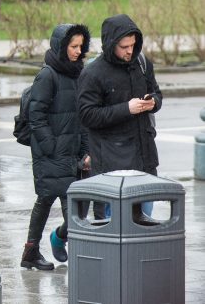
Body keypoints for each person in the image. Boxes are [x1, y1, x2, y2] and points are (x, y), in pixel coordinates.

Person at [21, 24, 91, 271]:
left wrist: (84, 149)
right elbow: (36, 115)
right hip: (51, 152)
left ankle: (31, 252)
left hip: (70, 152)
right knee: (71, 208)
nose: (78, 51)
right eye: (73, 46)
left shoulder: (77, 74)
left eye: (81, 47)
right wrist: (51, 147)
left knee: (48, 200)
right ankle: (83, 258)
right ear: (61, 46)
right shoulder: (47, 75)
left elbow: (79, 116)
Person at [78, 14, 161, 221]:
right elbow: (87, 115)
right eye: (124, 46)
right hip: (112, 165)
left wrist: (154, 102)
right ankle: (61, 236)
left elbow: (156, 92)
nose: (130, 50)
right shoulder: (93, 73)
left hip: (144, 160)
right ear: (111, 44)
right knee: (116, 228)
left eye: (133, 45)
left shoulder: (142, 63)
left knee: (144, 226)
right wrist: (127, 109)